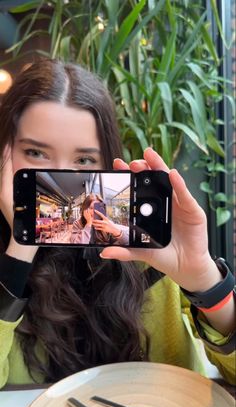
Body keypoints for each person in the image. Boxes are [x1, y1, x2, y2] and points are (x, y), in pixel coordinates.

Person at [0, 59, 235, 389]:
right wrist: (20, 247)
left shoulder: (144, 252)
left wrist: (205, 281)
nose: (61, 180)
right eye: (37, 153)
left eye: (84, 160)